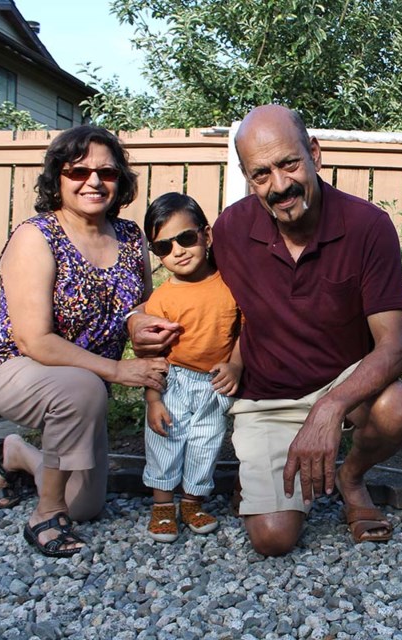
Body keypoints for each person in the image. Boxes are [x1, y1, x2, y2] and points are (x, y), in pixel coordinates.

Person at [130, 104, 402, 556]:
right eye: (261, 174)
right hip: (267, 397)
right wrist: (137, 319)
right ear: (247, 177)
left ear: (315, 154)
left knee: (396, 407)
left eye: (289, 163)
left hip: (343, 386)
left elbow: (395, 347)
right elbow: (189, 285)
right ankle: (261, 479)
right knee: (273, 540)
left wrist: (329, 407)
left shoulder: (368, 227)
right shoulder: (231, 230)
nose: (279, 185)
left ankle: (351, 477)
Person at [0, 125, 168, 558]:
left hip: (84, 384)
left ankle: (16, 453)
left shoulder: (129, 236)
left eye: (107, 172)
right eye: (78, 171)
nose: (94, 182)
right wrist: (119, 370)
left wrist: (141, 326)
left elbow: (139, 306)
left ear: (121, 180)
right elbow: (34, 340)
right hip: (14, 367)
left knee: (85, 505)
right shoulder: (37, 236)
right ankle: (44, 513)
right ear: (57, 179)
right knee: (80, 389)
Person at [141, 192, 240, 542]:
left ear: (206, 235)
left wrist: (236, 365)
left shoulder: (231, 285)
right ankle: (163, 505)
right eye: (163, 247)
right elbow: (152, 356)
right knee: (165, 441)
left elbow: (245, 329)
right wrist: (153, 400)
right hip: (174, 382)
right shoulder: (162, 299)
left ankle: (193, 502)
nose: (178, 251)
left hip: (214, 383)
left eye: (185, 238)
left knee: (206, 444)